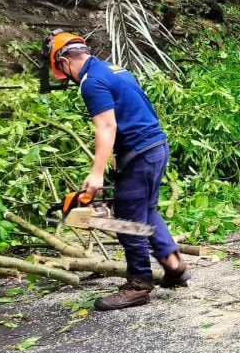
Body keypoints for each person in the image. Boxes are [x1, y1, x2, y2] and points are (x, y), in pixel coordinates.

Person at [45, 31, 190, 311]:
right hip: (155, 146)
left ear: (63, 61)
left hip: (140, 152)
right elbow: (134, 111)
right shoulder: (112, 68)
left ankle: (139, 284)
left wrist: (96, 173)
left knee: (126, 219)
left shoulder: (91, 82)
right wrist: (116, 157)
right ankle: (175, 265)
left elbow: (107, 126)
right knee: (146, 210)